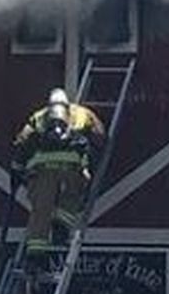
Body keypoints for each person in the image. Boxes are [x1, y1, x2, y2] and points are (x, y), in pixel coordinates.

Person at [11, 88, 106, 268]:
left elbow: (22, 143)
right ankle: (61, 227)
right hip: (72, 171)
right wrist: (92, 155)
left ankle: (35, 256)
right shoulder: (82, 114)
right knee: (71, 198)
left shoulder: (38, 118)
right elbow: (99, 135)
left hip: (41, 173)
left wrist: (16, 169)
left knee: (40, 211)